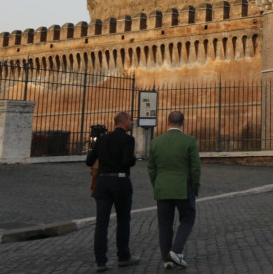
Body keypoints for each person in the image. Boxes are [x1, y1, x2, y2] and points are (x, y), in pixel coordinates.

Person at [85, 111, 140, 272]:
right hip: (120, 182)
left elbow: (89, 160)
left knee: (101, 223)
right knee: (123, 220)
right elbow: (127, 162)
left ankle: (100, 261)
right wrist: (133, 157)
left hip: (102, 182)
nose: (132, 122)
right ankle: (124, 256)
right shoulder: (128, 139)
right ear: (123, 122)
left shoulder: (102, 139)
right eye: (130, 120)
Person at [148, 110, 201, 270]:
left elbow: (151, 168)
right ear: (183, 123)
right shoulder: (189, 141)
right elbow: (195, 168)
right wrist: (195, 187)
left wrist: (157, 184)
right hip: (183, 186)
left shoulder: (156, 142)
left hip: (162, 187)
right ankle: (176, 251)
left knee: (164, 224)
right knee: (187, 218)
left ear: (167, 122)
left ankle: (167, 260)